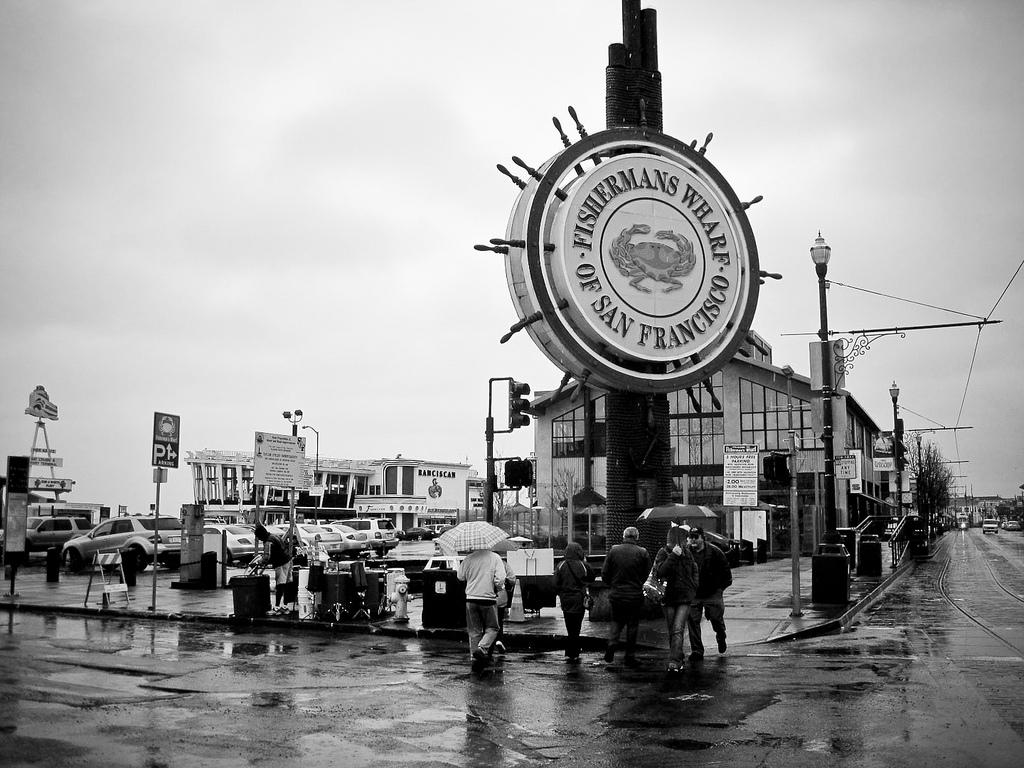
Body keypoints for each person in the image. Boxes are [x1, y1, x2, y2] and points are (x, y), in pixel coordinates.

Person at [601, 526, 652, 666]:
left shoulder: (613, 551)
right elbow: (648, 574)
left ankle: (612, 643)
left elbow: (605, 573)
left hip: (617, 594)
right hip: (634, 595)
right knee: (632, 625)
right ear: (636, 537)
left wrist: (613, 585)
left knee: (616, 621)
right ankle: (629, 656)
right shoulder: (643, 553)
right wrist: (638, 583)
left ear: (624, 536)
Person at [653, 524, 699, 672]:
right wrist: (673, 555)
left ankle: (674, 661)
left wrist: (694, 587)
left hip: (685, 597)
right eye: (685, 538)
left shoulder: (687, 552)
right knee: (673, 630)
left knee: (678, 629)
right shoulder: (663, 552)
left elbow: (693, 570)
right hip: (669, 597)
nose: (687, 541)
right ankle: (678, 655)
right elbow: (660, 572)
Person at [685, 526, 733, 660]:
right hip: (694, 594)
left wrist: (719, 589)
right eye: (691, 537)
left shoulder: (715, 552)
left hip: (712, 592)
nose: (693, 540)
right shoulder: (686, 553)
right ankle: (697, 651)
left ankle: (720, 635)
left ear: (702, 538)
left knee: (716, 618)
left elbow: (726, 573)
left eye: (696, 537)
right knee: (693, 622)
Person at [457, 547, 507, 669]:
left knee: (474, 631)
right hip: (488, 599)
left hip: (470, 598)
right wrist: (498, 587)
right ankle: (482, 648)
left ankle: (475, 657)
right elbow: (500, 579)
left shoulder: (468, 558)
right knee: (493, 628)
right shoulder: (495, 557)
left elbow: (460, 576)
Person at [554, 541, 593, 662]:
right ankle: (574, 651)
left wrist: (560, 592)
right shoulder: (583, 565)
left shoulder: (561, 565)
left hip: (565, 599)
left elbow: (555, 583)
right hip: (578, 599)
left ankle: (570, 651)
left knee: (569, 624)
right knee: (577, 626)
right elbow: (591, 577)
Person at [254, 521, 294, 614]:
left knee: (280, 585)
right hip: (288, 560)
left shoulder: (268, 542)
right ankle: (285, 606)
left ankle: (276, 607)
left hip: (280, 563)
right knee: (286, 584)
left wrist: (258, 562)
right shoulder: (274, 536)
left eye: (259, 537)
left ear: (261, 535)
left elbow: (266, 557)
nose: (259, 539)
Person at [494, 557, 517, 654]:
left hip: (486, 596)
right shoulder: (504, 564)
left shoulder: (484, 563)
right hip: (501, 596)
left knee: (487, 623)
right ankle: (499, 640)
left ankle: (486, 645)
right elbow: (512, 579)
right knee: (499, 621)